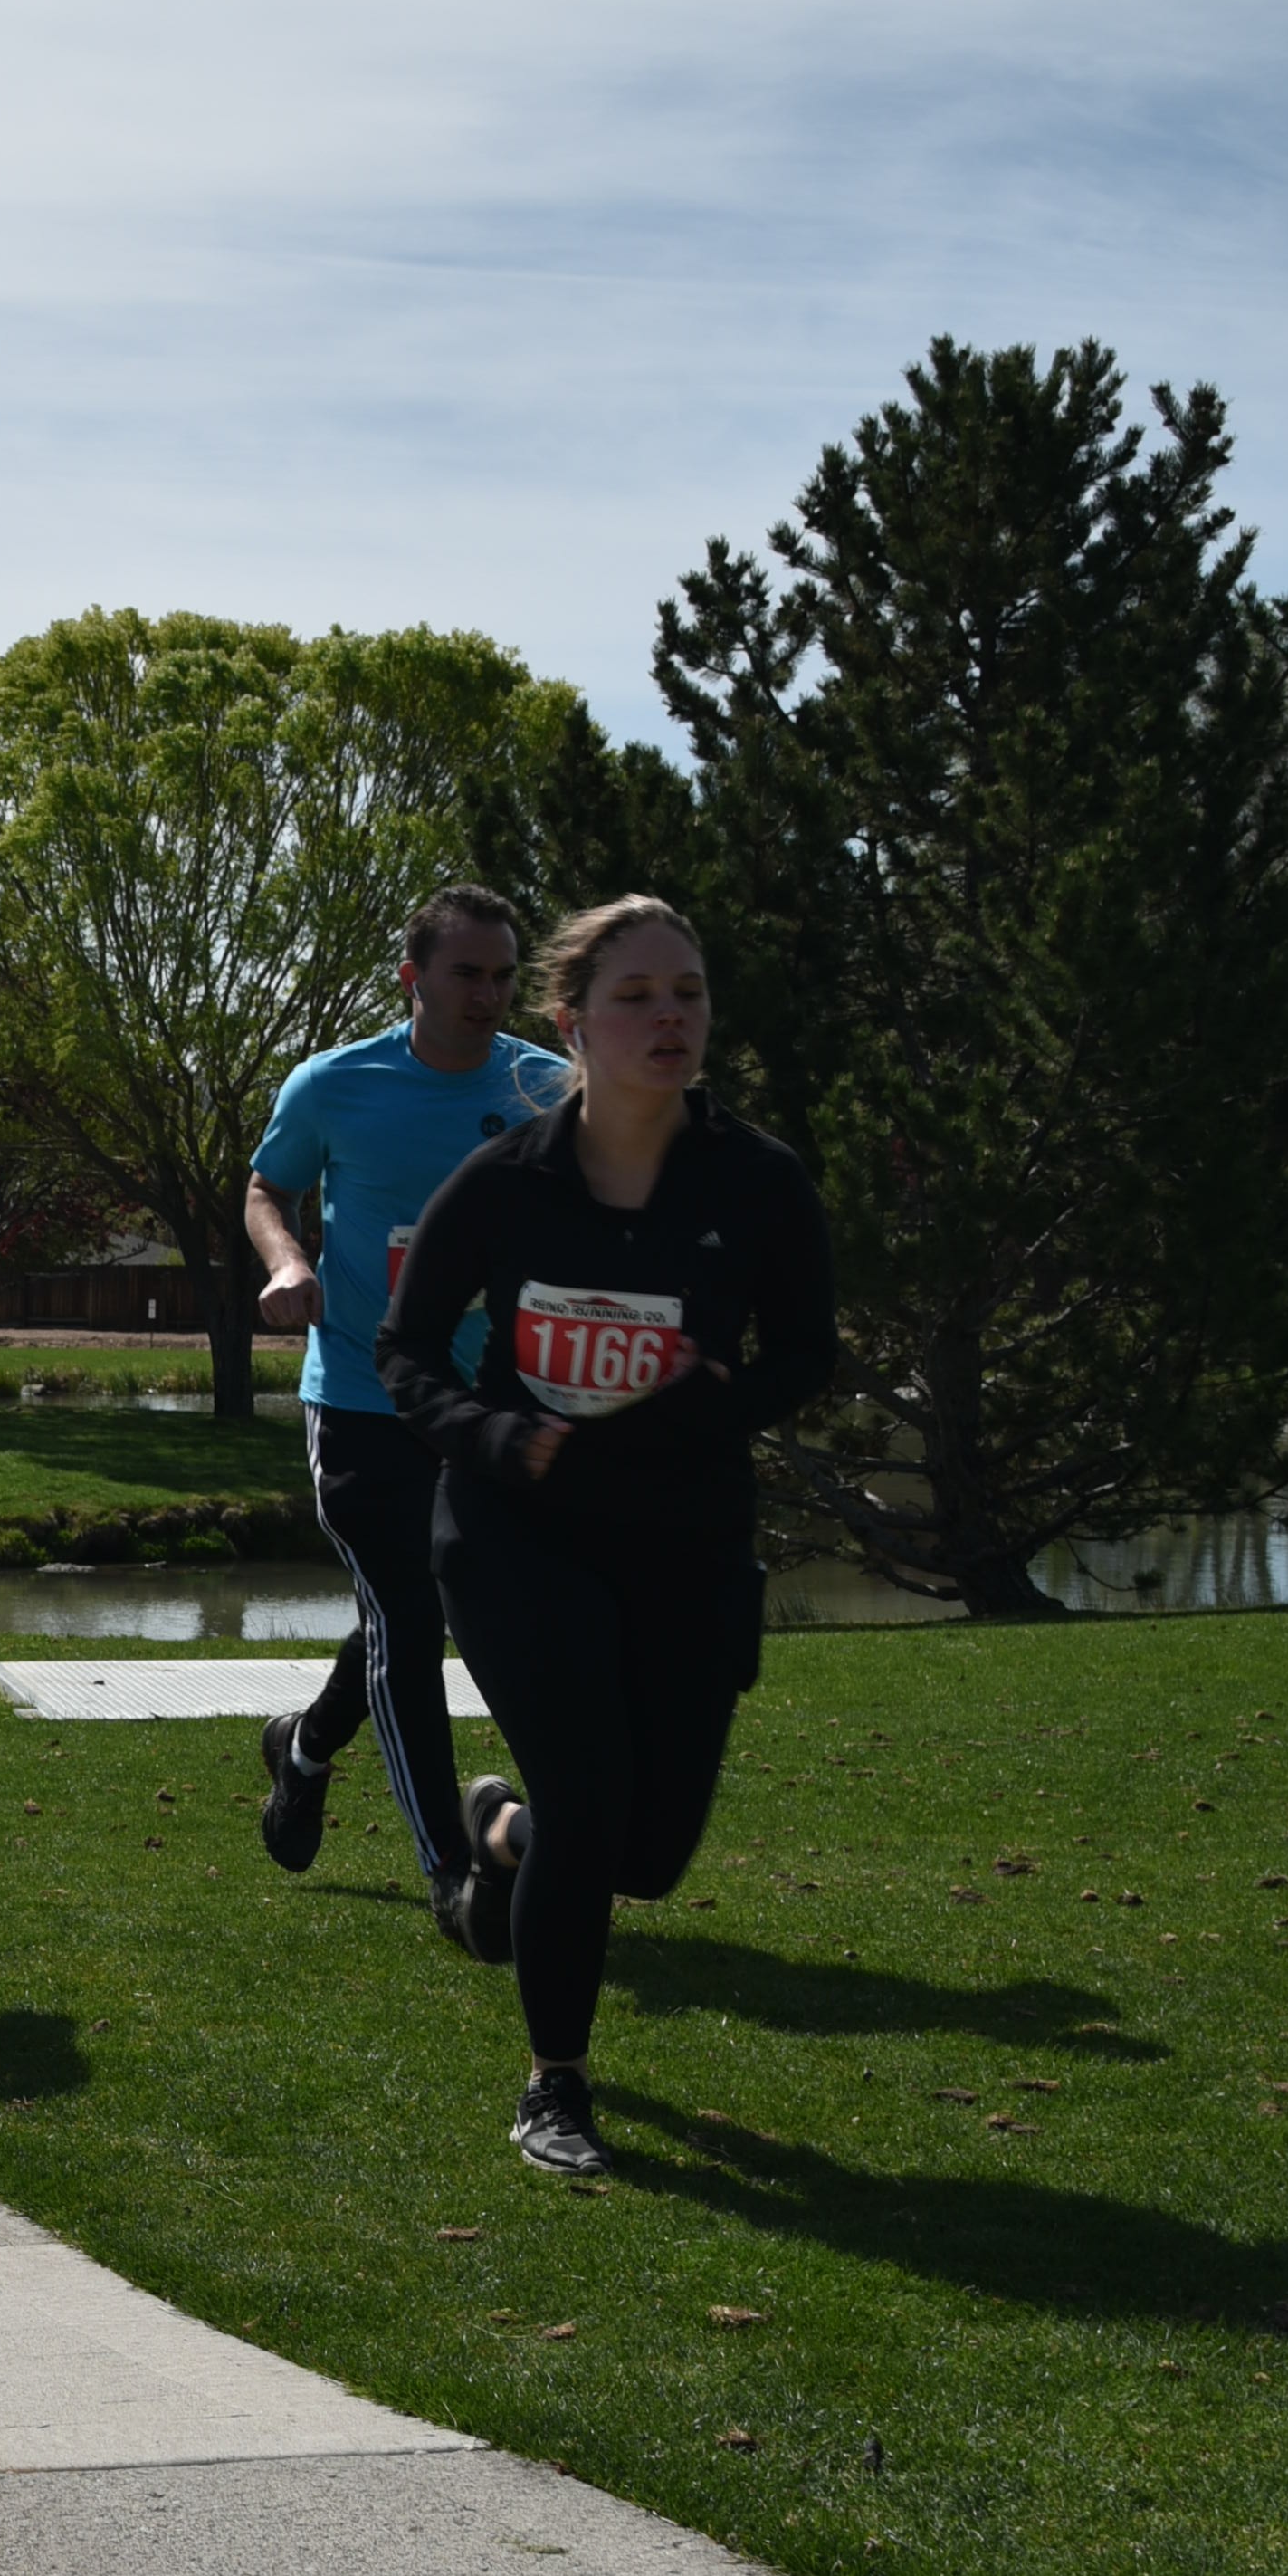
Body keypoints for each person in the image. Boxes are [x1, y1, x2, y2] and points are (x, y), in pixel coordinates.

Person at [377, 895, 836, 2182]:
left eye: (686, 992)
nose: (668, 1017)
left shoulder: (756, 1182)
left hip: (684, 1537)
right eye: (635, 997)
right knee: (589, 1799)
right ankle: (556, 2085)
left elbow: (807, 1349)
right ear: (570, 1022)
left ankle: (501, 1835)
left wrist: (716, 1400)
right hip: (518, 1531)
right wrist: (491, 1435)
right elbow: (406, 1351)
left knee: (647, 1854)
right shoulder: (504, 1181)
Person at [243, 885, 568, 1931]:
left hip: (490, 1406)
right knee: (408, 1616)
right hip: (360, 1394)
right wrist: (287, 1262)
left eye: (502, 976)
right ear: (411, 978)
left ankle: (301, 1748)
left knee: (435, 1610)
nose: (486, 994)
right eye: (464, 973)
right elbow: (266, 1187)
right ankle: (449, 1873)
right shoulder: (332, 1084)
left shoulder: (541, 1088)